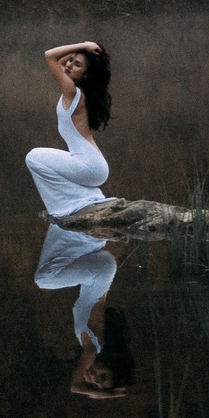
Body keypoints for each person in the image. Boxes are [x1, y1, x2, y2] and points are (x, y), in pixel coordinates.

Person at [34, 223, 133, 398]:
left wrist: (105, 391)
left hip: (101, 271)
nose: (94, 377)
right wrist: (107, 394)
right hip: (99, 273)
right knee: (45, 278)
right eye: (103, 376)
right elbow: (75, 386)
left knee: (49, 275)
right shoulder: (93, 348)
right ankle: (84, 233)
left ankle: (78, 230)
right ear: (111, 364)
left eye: (96, 383)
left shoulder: (93, 344)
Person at [25, 40, 111, 219]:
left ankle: (75, 203)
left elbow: (50, 56)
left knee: (33, 157)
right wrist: (81, 51)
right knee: (38, 159)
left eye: (77, 65)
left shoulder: (72, 92)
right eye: (70, 60)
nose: (69, 65)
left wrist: (83, 45)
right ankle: (87, 198)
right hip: (92, 166)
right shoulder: (77, 92)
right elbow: (59, 61)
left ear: (86, 75)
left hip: (89, 165)